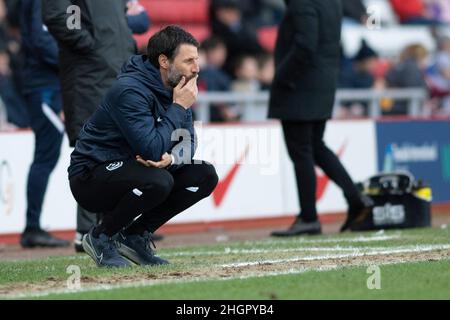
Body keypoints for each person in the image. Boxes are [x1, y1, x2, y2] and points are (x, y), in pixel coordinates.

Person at [68, 26, 219, 267]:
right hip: (92, 175)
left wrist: (172, 159)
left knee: (205, 175)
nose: (196, 68)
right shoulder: (129, 90)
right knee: (159, 181)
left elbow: (189, 141)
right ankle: (100, 237)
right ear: (164, 61)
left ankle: (134, 237)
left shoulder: (177, 88)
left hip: (138, 169)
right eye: (189, 60)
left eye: (197, 60)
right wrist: (178, 107)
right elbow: (150, 149)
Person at [42, 0, 151, 252]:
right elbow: (57, 15)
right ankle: (86, 230)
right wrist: (90, 44)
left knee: (119, 149)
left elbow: (139, 19)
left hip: (115, 73)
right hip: (89, 78)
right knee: (91, 150)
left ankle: (110, 228)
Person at [268, 0, 373, 236]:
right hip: (322, 83)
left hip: (300, 86)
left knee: (302, 151)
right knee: (315, 147)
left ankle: (309, 217)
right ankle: (356, 199)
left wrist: (281, 77)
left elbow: (305, 45)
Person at [18, 0, 69, 248]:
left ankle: (33, 226)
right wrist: (73, 61)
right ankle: (32, 227)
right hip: (44, 88)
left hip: (48, 85)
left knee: (46, 156)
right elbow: (40, 39)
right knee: (45, 156)